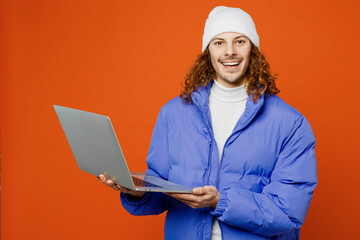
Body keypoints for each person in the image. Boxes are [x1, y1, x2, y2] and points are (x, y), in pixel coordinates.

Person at [98, 6, 317, 240]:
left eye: (240, 41)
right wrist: (137, 191)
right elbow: (161, 192)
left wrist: (220, 202)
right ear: (208, 52)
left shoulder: (291, 124)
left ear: (253, 50)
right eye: (219, 42)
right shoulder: (173, 113)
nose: (229, 52)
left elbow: (288, 212)